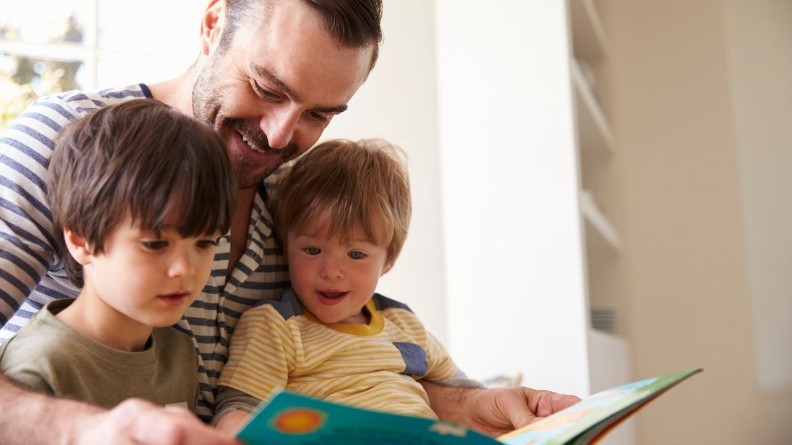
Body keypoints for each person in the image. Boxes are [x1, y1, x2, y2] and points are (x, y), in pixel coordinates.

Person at [0, 0, 579, 443]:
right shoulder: (64, 141)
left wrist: (465, 406)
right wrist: (82, 430)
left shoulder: (297, 197)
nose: (279, 136)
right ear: (213, 24)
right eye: (266, 88)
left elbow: (334, 360)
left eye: (319, 114)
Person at [212, 139, 464, 432]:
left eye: (356, 255)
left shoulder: (404, 323)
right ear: (285, 247)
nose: (331, 272)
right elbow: (238, 412)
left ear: (388, 260)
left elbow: (464, 391)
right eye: (312, 250)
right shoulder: (275, 326)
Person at [0, 99, 236, 412]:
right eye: (155, 244)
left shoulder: (179, 353)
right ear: (81, 241)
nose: (184, 269)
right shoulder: (36, 368)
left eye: (205, 243)